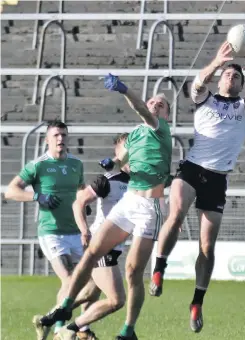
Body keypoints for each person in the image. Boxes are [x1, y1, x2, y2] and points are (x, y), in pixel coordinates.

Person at [39, 73, 172, 340]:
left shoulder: (160, 129)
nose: (155, 105)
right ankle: (65, 308)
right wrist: (110, 165)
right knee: (91, 255)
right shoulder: (135, 135)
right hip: (130, 201)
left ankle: (128, 330)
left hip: (149, 207)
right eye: (153, 101)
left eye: (161, 104)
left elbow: (139, 108)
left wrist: (123, 88)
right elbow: (119, 160)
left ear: (167, 114)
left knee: (133, 272)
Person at [149, 41, 245, 333]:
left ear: (241, 85)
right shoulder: (206, 99)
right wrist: (216, 62)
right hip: (192, 168)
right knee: (174, 216)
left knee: (207, 247)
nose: (231, 77)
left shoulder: (244, 108)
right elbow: (198, 83)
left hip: (217, 178)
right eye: (228, 74)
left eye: (236, 76)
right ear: (221, 78)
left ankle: (197, 301)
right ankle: (159, 269)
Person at [4, 120, 89, 340]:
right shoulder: (38, 165)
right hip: (51, 232)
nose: (61, 139)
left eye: (63, 135)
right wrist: (37, 196)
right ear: (47, 140)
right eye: (56, 136)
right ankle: (68, 329)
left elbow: (81, 190)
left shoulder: (76, 164)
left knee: (90, 282)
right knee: (70, 280)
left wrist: (83, 205)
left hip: (75, 232)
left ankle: (52, 323)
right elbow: (10, 191)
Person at [54, 133, 130, 340]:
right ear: (118, 153)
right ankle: (69, 330)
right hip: (101, 245)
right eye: (125, 146)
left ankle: (50, 319)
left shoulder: (141, 183)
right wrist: (85, 230)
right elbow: (79, 202)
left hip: (114, 248)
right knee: (116, 300)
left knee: (89, 294)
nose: (130, 150)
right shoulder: (109, 180)